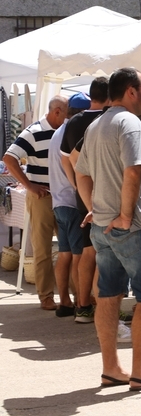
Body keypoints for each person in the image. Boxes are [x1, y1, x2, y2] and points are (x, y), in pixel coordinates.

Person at [75, 67, 141, 391]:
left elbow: (81, 173)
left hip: (104, 227)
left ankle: (111, 369)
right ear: (131, 90)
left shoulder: (97, 124)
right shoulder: (129, 122)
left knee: (108, 296)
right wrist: (126, 215)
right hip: (134, 226)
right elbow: (133, 171)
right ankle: (140, 374)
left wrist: (94, 208)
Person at [2, 94, 68, 310]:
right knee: (42, 249)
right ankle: (46, 296)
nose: (68, 117)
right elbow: (9, 158)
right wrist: (29, 186)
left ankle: (76, 295)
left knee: (71, 248)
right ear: (57, 111)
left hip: (64, 196)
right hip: (43, 196)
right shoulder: (33, 132)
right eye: (66, 113)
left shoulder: (65, 129)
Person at [60, 76, 110, 324]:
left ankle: (82, 306)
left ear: (91, 95)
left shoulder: (75, 120)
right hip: (108, 197)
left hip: (85, 197)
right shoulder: (111, 118)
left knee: (87, 252)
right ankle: (103, 308)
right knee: (106, 253)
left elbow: (65, 158)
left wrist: (77, 185)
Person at [49, 94, 92, 317]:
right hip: (73, 203)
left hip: (58, 202)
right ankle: (79, 302)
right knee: (79, 255)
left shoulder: (57, 133)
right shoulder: (73, 133)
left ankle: (64, 301)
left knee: (64, 254)